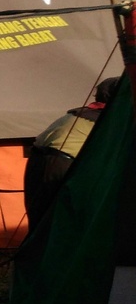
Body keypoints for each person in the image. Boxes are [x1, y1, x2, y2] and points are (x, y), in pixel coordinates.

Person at [24, 76, 120, 233]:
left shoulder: (80, 113)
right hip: (62, 164)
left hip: (38, 160)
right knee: (68, 219)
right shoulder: (108, 118)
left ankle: (37, 254)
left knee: (41, 218)